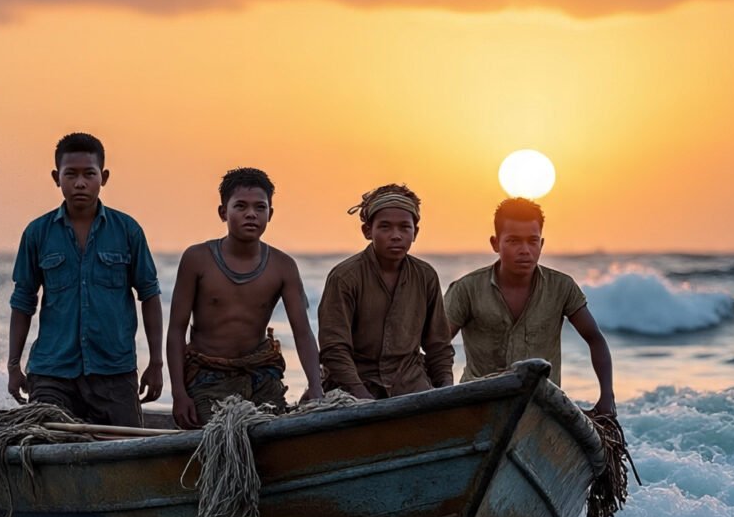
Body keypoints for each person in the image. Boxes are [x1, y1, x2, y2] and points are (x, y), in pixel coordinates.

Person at [6, 132, 163, 427]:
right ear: (56, 177)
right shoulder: (37, 233)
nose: (80, 183)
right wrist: (14, 366)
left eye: (89, 174)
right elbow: (23, 301)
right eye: (71, 174)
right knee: (42, 447)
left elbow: (149, 295)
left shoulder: (128, 231)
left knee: (125, 454)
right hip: (52, 374)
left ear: (103, 177)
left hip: (114, 372)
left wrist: (156, 363)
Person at [167, 167, 324, 428]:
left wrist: (315, 386)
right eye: (240, 206)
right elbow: (175, 330)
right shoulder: (197, 259)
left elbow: (303, 332)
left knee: (277, 437)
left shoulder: (283, 266)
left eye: (259, 208)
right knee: (222, 439)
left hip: (261, 374)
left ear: (270, 214)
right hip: (207, 378)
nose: (251, 214)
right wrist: (178, 394)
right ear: (223, 213)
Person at [444, 197, 616, 414]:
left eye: (532, 241)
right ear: (495, 243)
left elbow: (595, 338)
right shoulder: (466, 289)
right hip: (478, 403)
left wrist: (607, 397)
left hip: (542, 406)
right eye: (514, 241)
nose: (525, 250)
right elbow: (437, 346)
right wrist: (443, 394)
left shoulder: (561, 287)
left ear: (541, 244)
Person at [318, 184, 454, 399]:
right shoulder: (345, 277)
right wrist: (362, 397)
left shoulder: (426, 276)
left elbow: (438, 346)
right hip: (354, 389)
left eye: (404, 228)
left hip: (411, 385)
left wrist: (447, 392)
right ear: (367, 231)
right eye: (385, 227)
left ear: (415, 232)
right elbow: (334, 349)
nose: (396, 236)